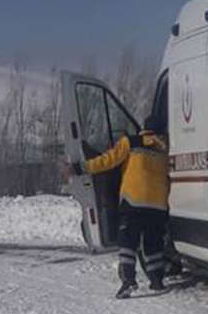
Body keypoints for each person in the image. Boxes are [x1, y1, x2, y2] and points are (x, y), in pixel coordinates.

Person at [72, 113, 170, 299]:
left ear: (143, 128)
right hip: (158, 204)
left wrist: (80, 168)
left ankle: (128, 281)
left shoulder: (131, 142)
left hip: (134, 200)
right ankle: (157, 281)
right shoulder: (164, 149)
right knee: (153, 242)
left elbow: (108, 161)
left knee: (128, 242)